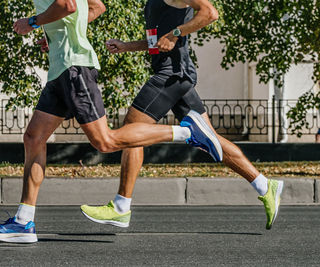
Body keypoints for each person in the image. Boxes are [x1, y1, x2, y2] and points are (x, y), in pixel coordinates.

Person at [0, 0, 222, 243]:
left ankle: (187, 132)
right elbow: (96, 6)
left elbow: (68, 5)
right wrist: (54, 28)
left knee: (105, 141)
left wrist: (32, 23)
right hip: (60, 67)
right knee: (33, 137)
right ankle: (23, 222)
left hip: (74, 67)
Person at [80, 0, 284, 230]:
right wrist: (127, 46)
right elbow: (158, 42)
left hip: (172, 75)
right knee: (211, 139)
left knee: (132, 130)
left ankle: (120, 206)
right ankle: (265, 186)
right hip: (177, 77)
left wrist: (177, 33)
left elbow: (210, 13)